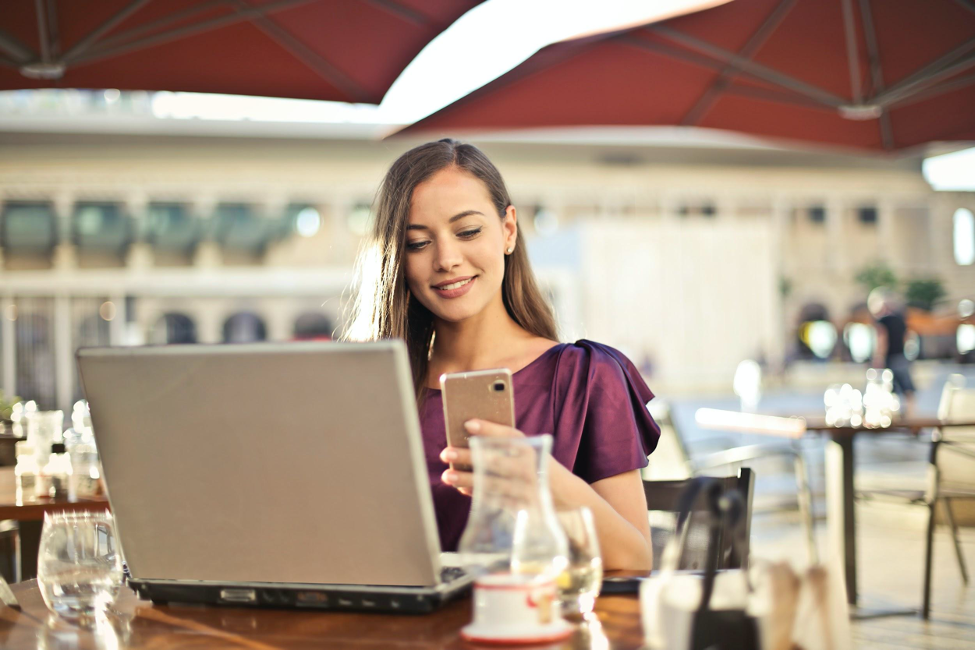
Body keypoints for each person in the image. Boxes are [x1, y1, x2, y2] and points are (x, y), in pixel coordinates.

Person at [344, 139, 659, 571]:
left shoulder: (585, 376)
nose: (447, 259)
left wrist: (539, 480)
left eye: (468, 231)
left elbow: (636, 559)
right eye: (418, 243)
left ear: (508, 230)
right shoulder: (371, 389)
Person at [868, 287, 916, 415]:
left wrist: (878, 358)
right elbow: (907, 337)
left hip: (890, 358)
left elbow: (882, 341)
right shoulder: (900, 320)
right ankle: (911, 413)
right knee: (907, 387)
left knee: (886, 386)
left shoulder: (882, 321)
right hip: (901, 356)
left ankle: (888, 414)